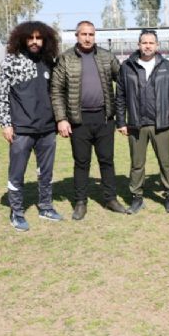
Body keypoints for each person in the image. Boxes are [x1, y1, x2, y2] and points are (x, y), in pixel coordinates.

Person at [51, 20, 127, 219]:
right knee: (81, 162)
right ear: (77, 35)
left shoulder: (106, 56)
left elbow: (123, 81)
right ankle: (80, 202)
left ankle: (111, 199)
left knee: (107, 160)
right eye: (83, 34)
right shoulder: (65, 59)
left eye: (91, 34)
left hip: (104, 118)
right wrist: (61, 119)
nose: (87, 38)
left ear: (95, 36)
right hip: (78, 121)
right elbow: (56, 90)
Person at [0, 21, 63, 231]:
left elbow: (56, 93)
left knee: (46, 172)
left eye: (38, 38)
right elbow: (0, 95)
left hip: (47, 129)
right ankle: (16, 212)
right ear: (22, 39)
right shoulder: (11, 62)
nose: (34, 42)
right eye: (30, 38)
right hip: (21, 130)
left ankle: (46, 207)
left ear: (45, 40)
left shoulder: (49, 62)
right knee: (17, 173)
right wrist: (6, 124)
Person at [115, 29, 169, 214]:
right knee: (137, 164)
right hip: (136, 124)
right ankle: (137, 197)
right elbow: (120, 95)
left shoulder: (166, 66)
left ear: (157, 45)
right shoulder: (127, 66)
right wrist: (121, 122)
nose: (148, 46)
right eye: (144, 42)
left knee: (165, 162)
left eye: (151, 43)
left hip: (161, 123)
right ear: (139, 45)